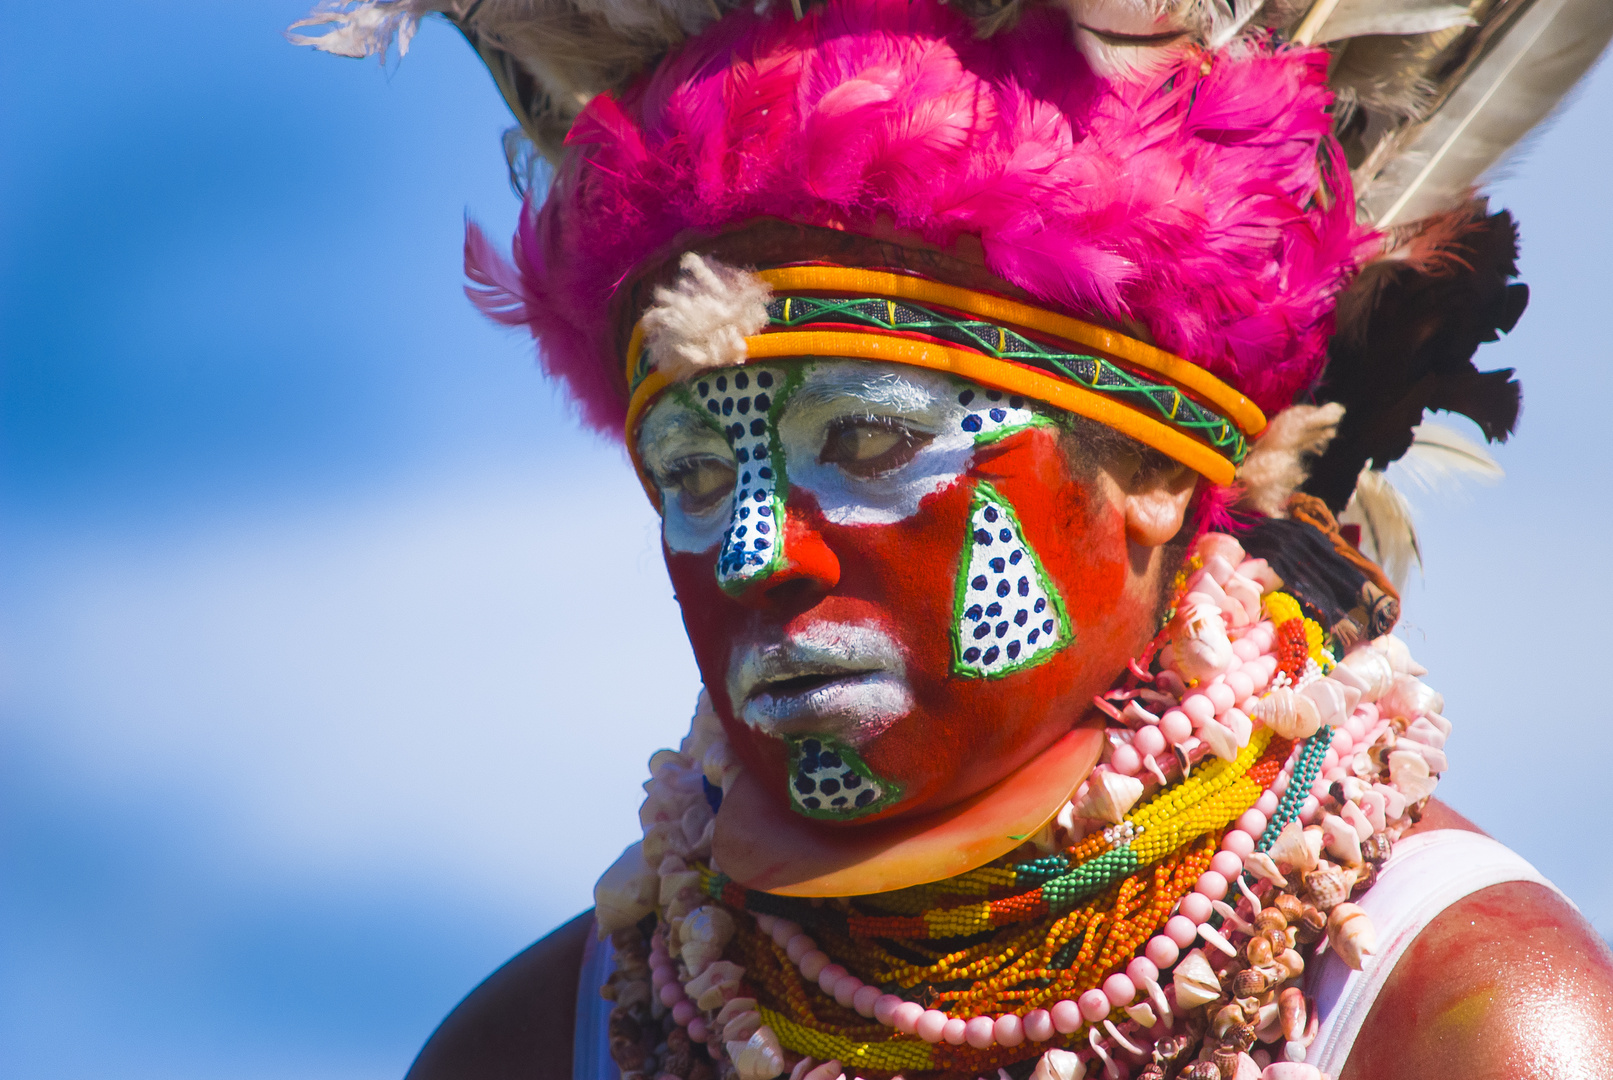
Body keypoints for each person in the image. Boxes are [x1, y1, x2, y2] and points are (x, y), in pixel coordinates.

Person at [292, 0, 1613, 1077]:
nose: (758, 554)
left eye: (866, 445)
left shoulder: (1444, 1018)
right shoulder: (539, 1048)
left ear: (1150, 475)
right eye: (691, 473)